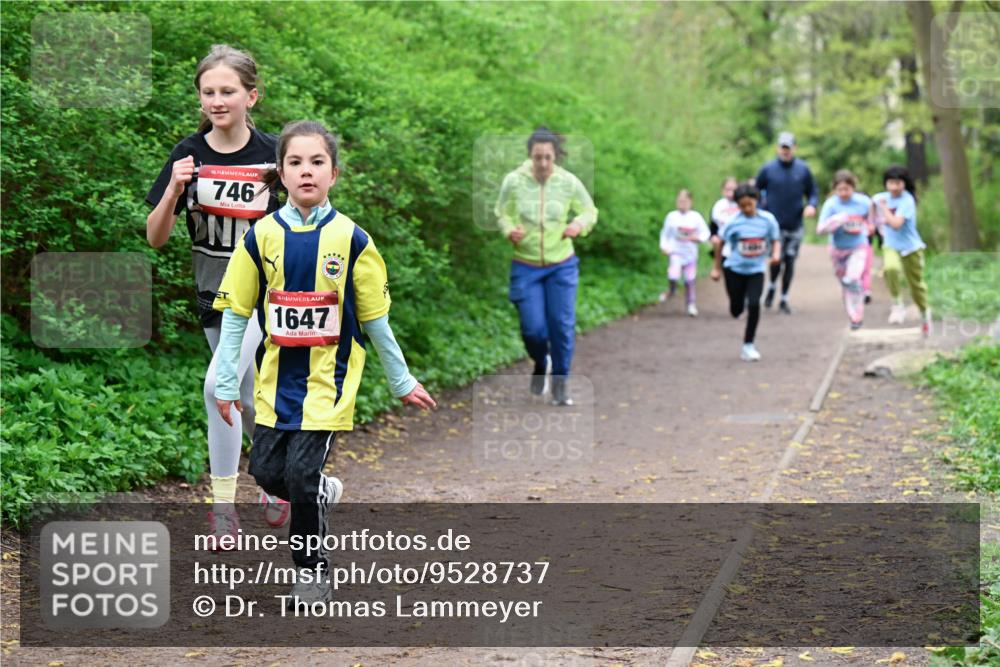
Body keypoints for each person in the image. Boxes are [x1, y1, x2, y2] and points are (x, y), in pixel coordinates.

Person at [213, 120, 436, 607]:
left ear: (333, 174)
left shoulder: (353, 240)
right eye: (295, 162)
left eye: (317, 163)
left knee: (299, 478)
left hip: (327, 383)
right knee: (268, 474)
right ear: (282, 172)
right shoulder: (260, 237)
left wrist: (401, 379)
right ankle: (323, 489)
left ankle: (313, 574)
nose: (306, 171)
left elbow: (376, 320)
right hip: (275, 383)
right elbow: (235, 315)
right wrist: (227, 380)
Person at [144, 45, 288, 545]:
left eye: (228, 91)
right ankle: (284, 481)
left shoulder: (275, 156)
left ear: (252, 95)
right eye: (209, 92)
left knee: (216, 388)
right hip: (213, 294)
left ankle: (223, 508)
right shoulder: (188, 154)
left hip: (265, 299)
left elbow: (310, 222)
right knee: (244, 397)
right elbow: (155, 237)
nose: (217, 100)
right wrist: (173, 192)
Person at [495, 127, 598, 406]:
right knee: (533, 330)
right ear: (530, 155)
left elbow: (589, 211)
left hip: (561, 264)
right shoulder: (514, 181)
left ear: (555, 156)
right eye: (537, 157)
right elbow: (501, 211)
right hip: (525, 265)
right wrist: (508, 229)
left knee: (562, 326)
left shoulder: (568, 182)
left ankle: (561, 383)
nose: (542, 163)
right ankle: (542, 361)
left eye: (547, 158)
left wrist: (578, 224)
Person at [711, 183, 781, 361]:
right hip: (734, 269)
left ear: (756, 201)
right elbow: (719, 243)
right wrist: (717, 268)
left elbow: (775, 239)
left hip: (756, 270)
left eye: (750, 204)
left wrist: (776, 254)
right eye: (742, 206)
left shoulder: (767, 220)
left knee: (754, 304)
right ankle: (737, 307)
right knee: (736, 308)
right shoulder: (734, 222)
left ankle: (748, 345)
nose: (747, 209)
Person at [754, 132, 818, 314]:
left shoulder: (803, 170)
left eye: (788, 148)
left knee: (790, 261)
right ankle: (772, 286)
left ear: (794, 148)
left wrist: (811, 205)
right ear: (778, 148)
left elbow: (813, 192)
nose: (785, 151)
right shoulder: (767, 169)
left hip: (795, 224)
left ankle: (783, 299)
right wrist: (759, 212)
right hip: (774, 225)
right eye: (782, 148)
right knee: (776, 260)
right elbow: (756, 192)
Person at [872, 165, 932, 335]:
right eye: (891, 183)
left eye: (898, 183)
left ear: (904, 184)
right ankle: (897, 304)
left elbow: (896, 224)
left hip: (911, 247)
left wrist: (883, 209)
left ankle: (924, 313)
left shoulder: (907, 200)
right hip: (890, 244)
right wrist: (871, 224)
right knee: (890, 269)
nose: (894, 187)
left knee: (916, 286)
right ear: (886, 183)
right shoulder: (880, 198)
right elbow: (870, 205)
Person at [816, 170, 873, 330]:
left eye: (846, 189)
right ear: (835, 189)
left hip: (858, 247)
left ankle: (858, 315)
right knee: (846, 285)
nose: (843, 193)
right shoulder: (831, 204)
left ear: (853, 187)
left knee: (853, 279)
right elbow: (820, 229)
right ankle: (853, 317)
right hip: (838, 250)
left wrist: (869, 226)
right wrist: (836, 220)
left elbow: (872, 218)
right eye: (839, 190)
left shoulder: (863, 202)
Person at [659, 189, 710, 316]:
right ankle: (671, 291)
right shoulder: (671, 217)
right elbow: (665, 234)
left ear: (690, 202)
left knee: (689, 280)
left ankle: (691, 304)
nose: (682, 203)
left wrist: (698, 238)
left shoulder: (696, 217)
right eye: (680, 201)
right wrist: (664, 247)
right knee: (673, 275)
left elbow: (706, 232)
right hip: (675, 252)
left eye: (685, 201)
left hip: (690, 255)